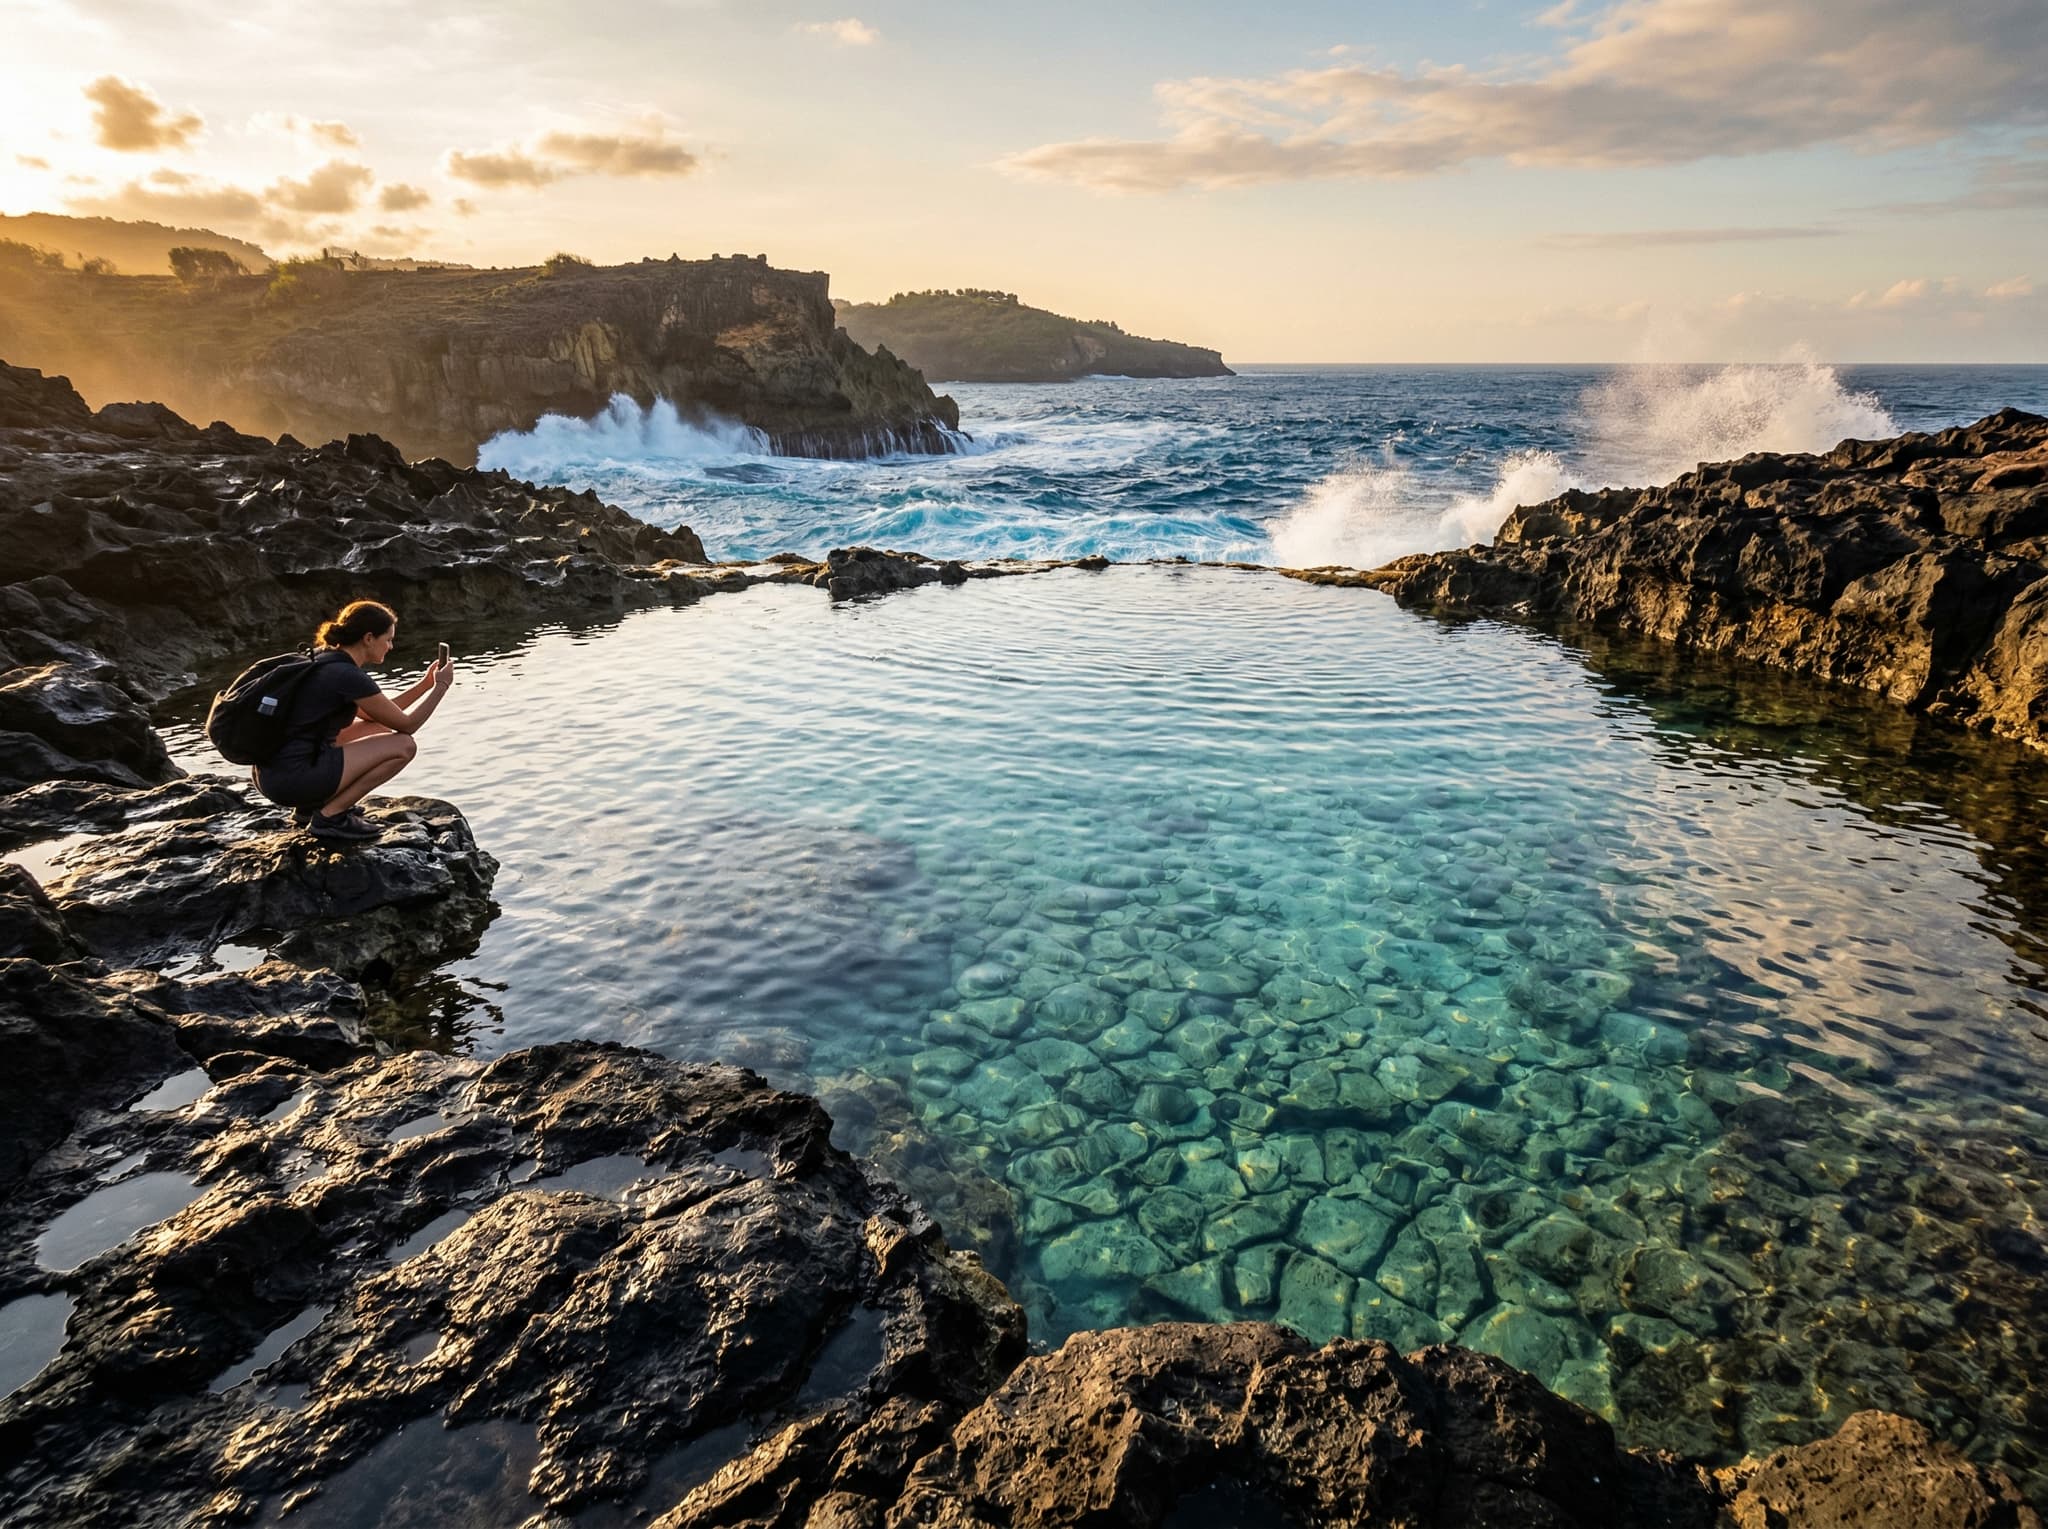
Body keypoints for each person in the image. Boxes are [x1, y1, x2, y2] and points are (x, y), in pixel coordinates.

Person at [252, 599, 453, 842]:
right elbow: (408, 725)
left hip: (272, 775)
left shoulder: (324, 660)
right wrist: (441, 687)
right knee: (405, 745)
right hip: (294, 779)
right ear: (369, 638)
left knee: (377, 726)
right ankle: (331, 816)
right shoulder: (348, 676)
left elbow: (380, 715)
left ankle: (309, 808)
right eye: (388, 639)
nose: (390, 646)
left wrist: (424, 685)